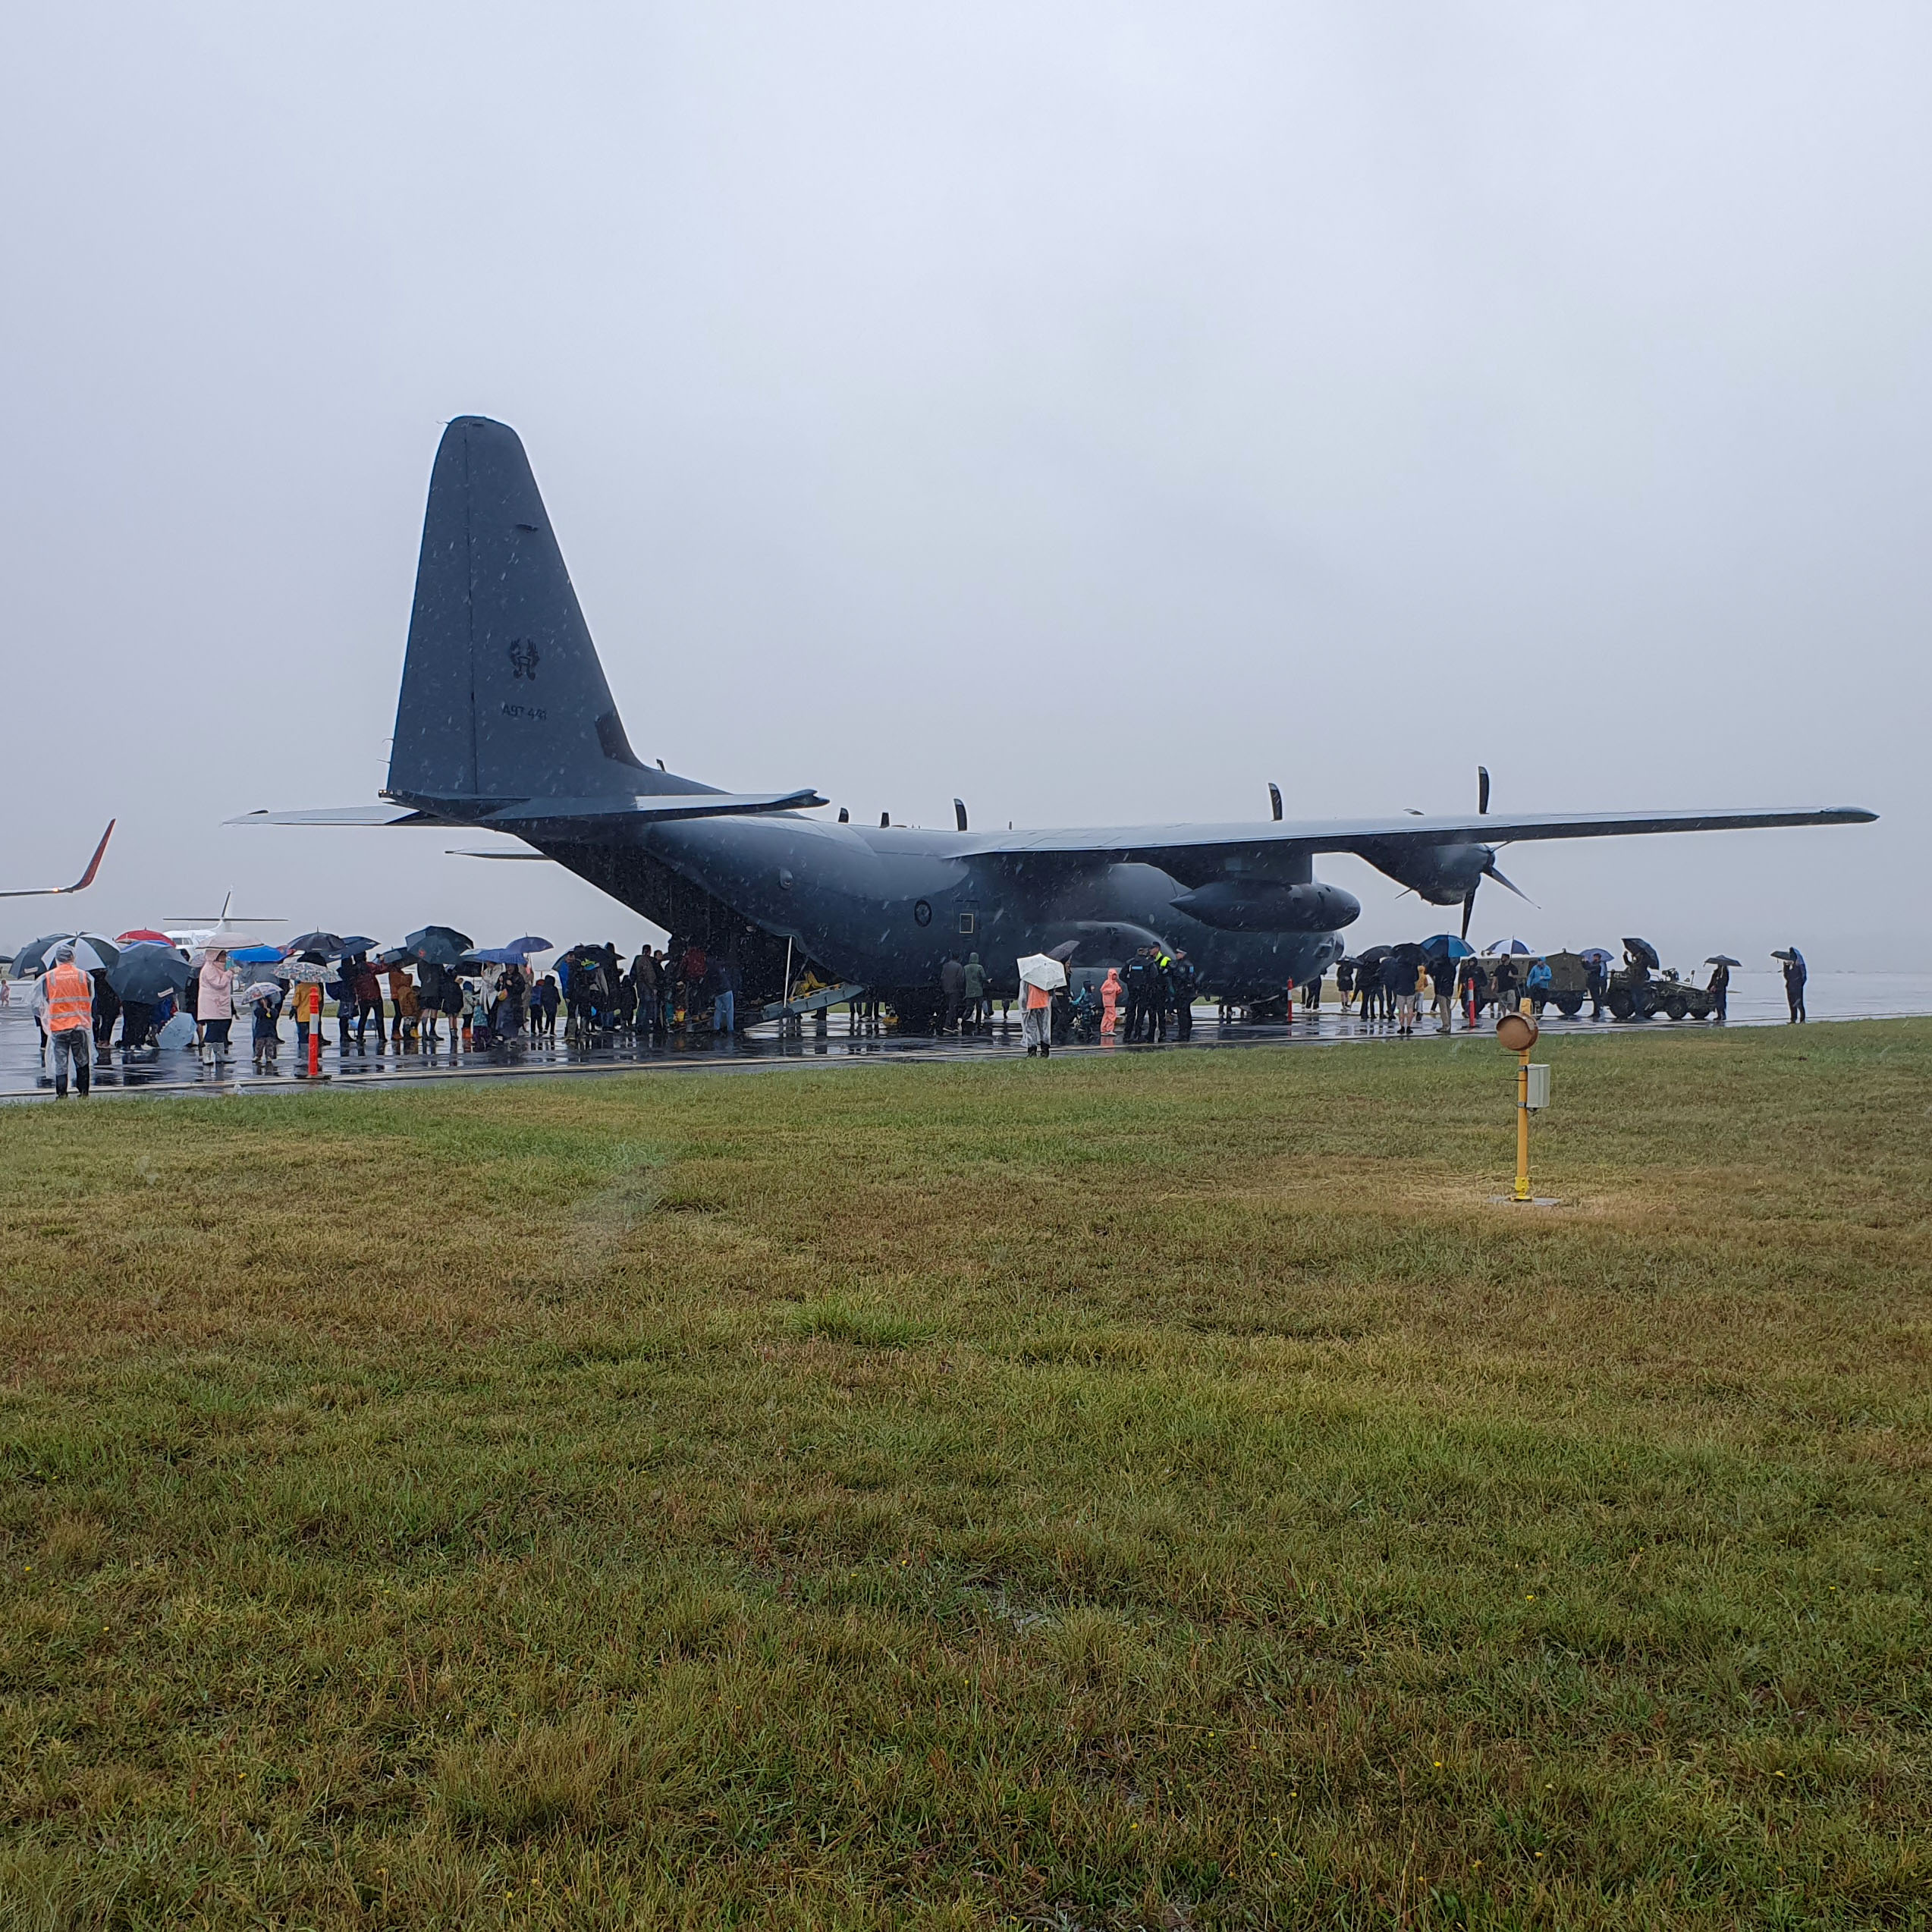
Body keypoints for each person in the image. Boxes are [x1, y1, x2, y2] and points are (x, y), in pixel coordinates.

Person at [37, 944, 93, 1097]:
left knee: (61, 1062)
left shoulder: (49, 977)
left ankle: (62, 1093)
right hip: (79, 1025)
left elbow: (46, 998)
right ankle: (84, 1092)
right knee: (82, 1060)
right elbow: (89, 997)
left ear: (57, 958)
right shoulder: (83, 976)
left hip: (58, 1026)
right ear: (73, 957)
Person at [197, 948, 235, 1067]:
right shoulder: (209, 968)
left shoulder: (221, 968)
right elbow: (219, 984)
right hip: (212, 1006)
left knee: (221, 1031)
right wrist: (229, 973)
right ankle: (206, 1055)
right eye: (222, 955)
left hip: (222, 1005)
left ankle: (220, 1055)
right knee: (212, 1032)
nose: (225, 958)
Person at [1019, 964, 1053, 1057]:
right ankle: (1045, 1050)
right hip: (1044, 1004)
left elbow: (1023, 995)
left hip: (1032, 1004)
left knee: (1031, 1029)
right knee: (1044, 1028)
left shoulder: (1027, 978)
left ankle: (1032, 1051)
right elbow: (1051, 993)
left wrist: (1023, 1007)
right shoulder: (1046, 978)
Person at [251, 982, 281, 1072]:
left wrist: (268, 1009)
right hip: (261, 1031)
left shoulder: (273, 1010)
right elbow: (258, 1014)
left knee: (270, 1045)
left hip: (270, 1032)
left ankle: (269, 1056)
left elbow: (274, 1015)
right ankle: (258, 1055)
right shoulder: (258, 1011)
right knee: (259, 1045)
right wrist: (263, 1008)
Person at [1170, 951, 1195, 1038]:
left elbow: (1182, 978)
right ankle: (1186, 1031)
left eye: (1178, 953)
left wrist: (1179, 990)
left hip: (1182, 993)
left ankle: (1183, 1034)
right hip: (1186, 993)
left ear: (1183, 954)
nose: (1176, 955)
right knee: (1186, 1012)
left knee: (1182, 1014)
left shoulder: (1183, 966)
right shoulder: (1188, 964)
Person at [712, 952, 739, 1033]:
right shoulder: (723, 969)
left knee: (718, 1011)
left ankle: (716, 1028)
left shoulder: (712, 969)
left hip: (718, 993)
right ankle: (730, 1029)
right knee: (730, 1010)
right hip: (726, 991)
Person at [960, 953, 986, 1033]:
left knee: (969, 1007)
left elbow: (963, 979)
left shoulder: (965, 968)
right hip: (978, 991)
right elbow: (984, 977)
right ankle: (978, 1024)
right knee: (979, 1008)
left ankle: (963, 1019)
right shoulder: (979, 967)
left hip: (969, 990)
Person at [939, 954, 964, 1034]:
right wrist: (960, 988)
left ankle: (946, 1024)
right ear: (958, 958)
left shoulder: (945, 965)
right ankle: (948, 1025)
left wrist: (944, 986)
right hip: (954, 990)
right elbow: (960, 979)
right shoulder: (959, 966)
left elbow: (942, 977)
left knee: (948, 1007)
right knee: (952, 1008)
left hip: (946, 989)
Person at [1782, 948, 1807, 1023]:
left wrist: (1800, 985)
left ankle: (1802, 1020)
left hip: (1797, 988)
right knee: (1792, 1004)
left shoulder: (1800, 967)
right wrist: (1786, 966)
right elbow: (1787, 977)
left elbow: (1803, 977)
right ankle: (1793, 1019)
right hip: (1790, 987)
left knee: (1799, 1004)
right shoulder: (1790, 968)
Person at [1099, 964, 1121, 1038]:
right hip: (1108, 1002)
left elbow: (1118, 989)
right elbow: (1103, 990)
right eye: (1113, 975)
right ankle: (1109, 1029)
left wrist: (1118, 990)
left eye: (1115, 975)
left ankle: (1104, 1029)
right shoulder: (1107, 982)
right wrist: (1111, 991)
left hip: (1112, 1002)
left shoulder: (1115, 983)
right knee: (1112, 1015)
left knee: (1106, 1016)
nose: (1114, 977)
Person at [1707, 959, 1730, 1023]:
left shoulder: (1724, 972)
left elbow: (1723, 982)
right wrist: (1709, 988)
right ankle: (1719, 1015)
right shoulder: (1717, 972)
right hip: (1716, 990)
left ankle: (1722, 1015)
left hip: (1721, 989)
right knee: (1717, 1003)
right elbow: (1713, 979)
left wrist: (1716, 986)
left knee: (1721, 1003)